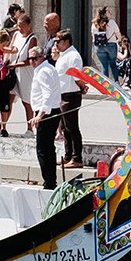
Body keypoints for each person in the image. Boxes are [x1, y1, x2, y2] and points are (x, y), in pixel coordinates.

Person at [28, 33, 69, 189]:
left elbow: (47, 96)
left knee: (43, 149)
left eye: (35, 59)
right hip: (51, 111)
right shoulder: (47, 68)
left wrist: (39, 116)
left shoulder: (44, 71)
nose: (32, 62)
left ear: (42, 57)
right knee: (47, 148)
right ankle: (51, 180)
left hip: (46, 113)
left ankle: (49, 182)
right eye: (30, 59)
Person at [53, 30, 87, 169]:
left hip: (70, 95)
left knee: (72, 128)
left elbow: (76, 76)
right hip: (62, 94)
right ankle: (68, 156)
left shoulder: (73, 56)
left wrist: (82, 87)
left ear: (66, 42)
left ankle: (77, 157)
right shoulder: (63, 55)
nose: (56, 44)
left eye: (58, 41)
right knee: (66, 128)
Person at [90, 7, 123, 82]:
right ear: (105, 14)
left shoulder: (94, 23)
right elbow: (118, 33)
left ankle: (106, 83)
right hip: (111, 45)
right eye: (108, 12)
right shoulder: (111, 22)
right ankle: (116, 81)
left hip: (99, 46)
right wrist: (119, 40)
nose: (110, 13)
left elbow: (93, 36)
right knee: (113, 64)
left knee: (104, 65)